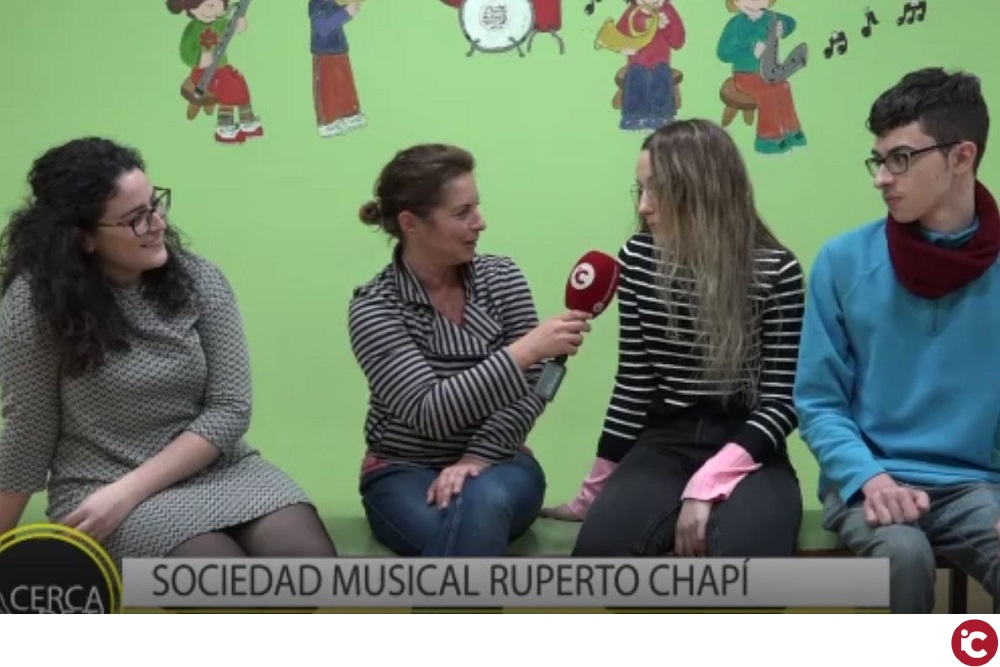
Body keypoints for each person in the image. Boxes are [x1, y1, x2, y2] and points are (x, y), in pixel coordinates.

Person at [0, 137, 337, 564]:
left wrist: (131, 490)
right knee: (220, 581)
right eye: (136, 219)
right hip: (101, 488)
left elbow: (230, 408)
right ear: (83, 239)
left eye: (155, 205)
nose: (158, 224)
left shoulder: (200, 279)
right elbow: (29, 433)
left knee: (308, 567)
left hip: (219, 472)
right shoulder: (35, 304)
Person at [544, 119, 805, 559]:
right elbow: (634, 384)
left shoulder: (776, 270)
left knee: (746, 559)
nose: (644, 206)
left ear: (702, 191)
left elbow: (781, 403)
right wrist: (595, 489)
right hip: (664, 442)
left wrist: (708, 483)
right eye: (640, 190)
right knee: (600, 552)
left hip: (748, 445)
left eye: (657, 190)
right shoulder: (637, 258)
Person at [794, 67, 1000, 614]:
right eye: (879, 160)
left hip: (975, 485)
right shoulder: (842, 261)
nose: (882, 178)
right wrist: (869, 476)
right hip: (867, 478)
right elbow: (818, 402)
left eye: (901, 159)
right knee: (904, 557)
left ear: (962, 157)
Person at [348, 143, 592, 556]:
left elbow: (536, 387)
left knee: (483, 503)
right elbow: (429, 412)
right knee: (461, 527)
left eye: (477, 207)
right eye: (462, 213)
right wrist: (523, 352)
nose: (480, 222)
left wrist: (479, 456)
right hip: (403, 470)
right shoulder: (375, 306)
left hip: (501, 460)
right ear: (410, 223)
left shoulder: (503, 277)